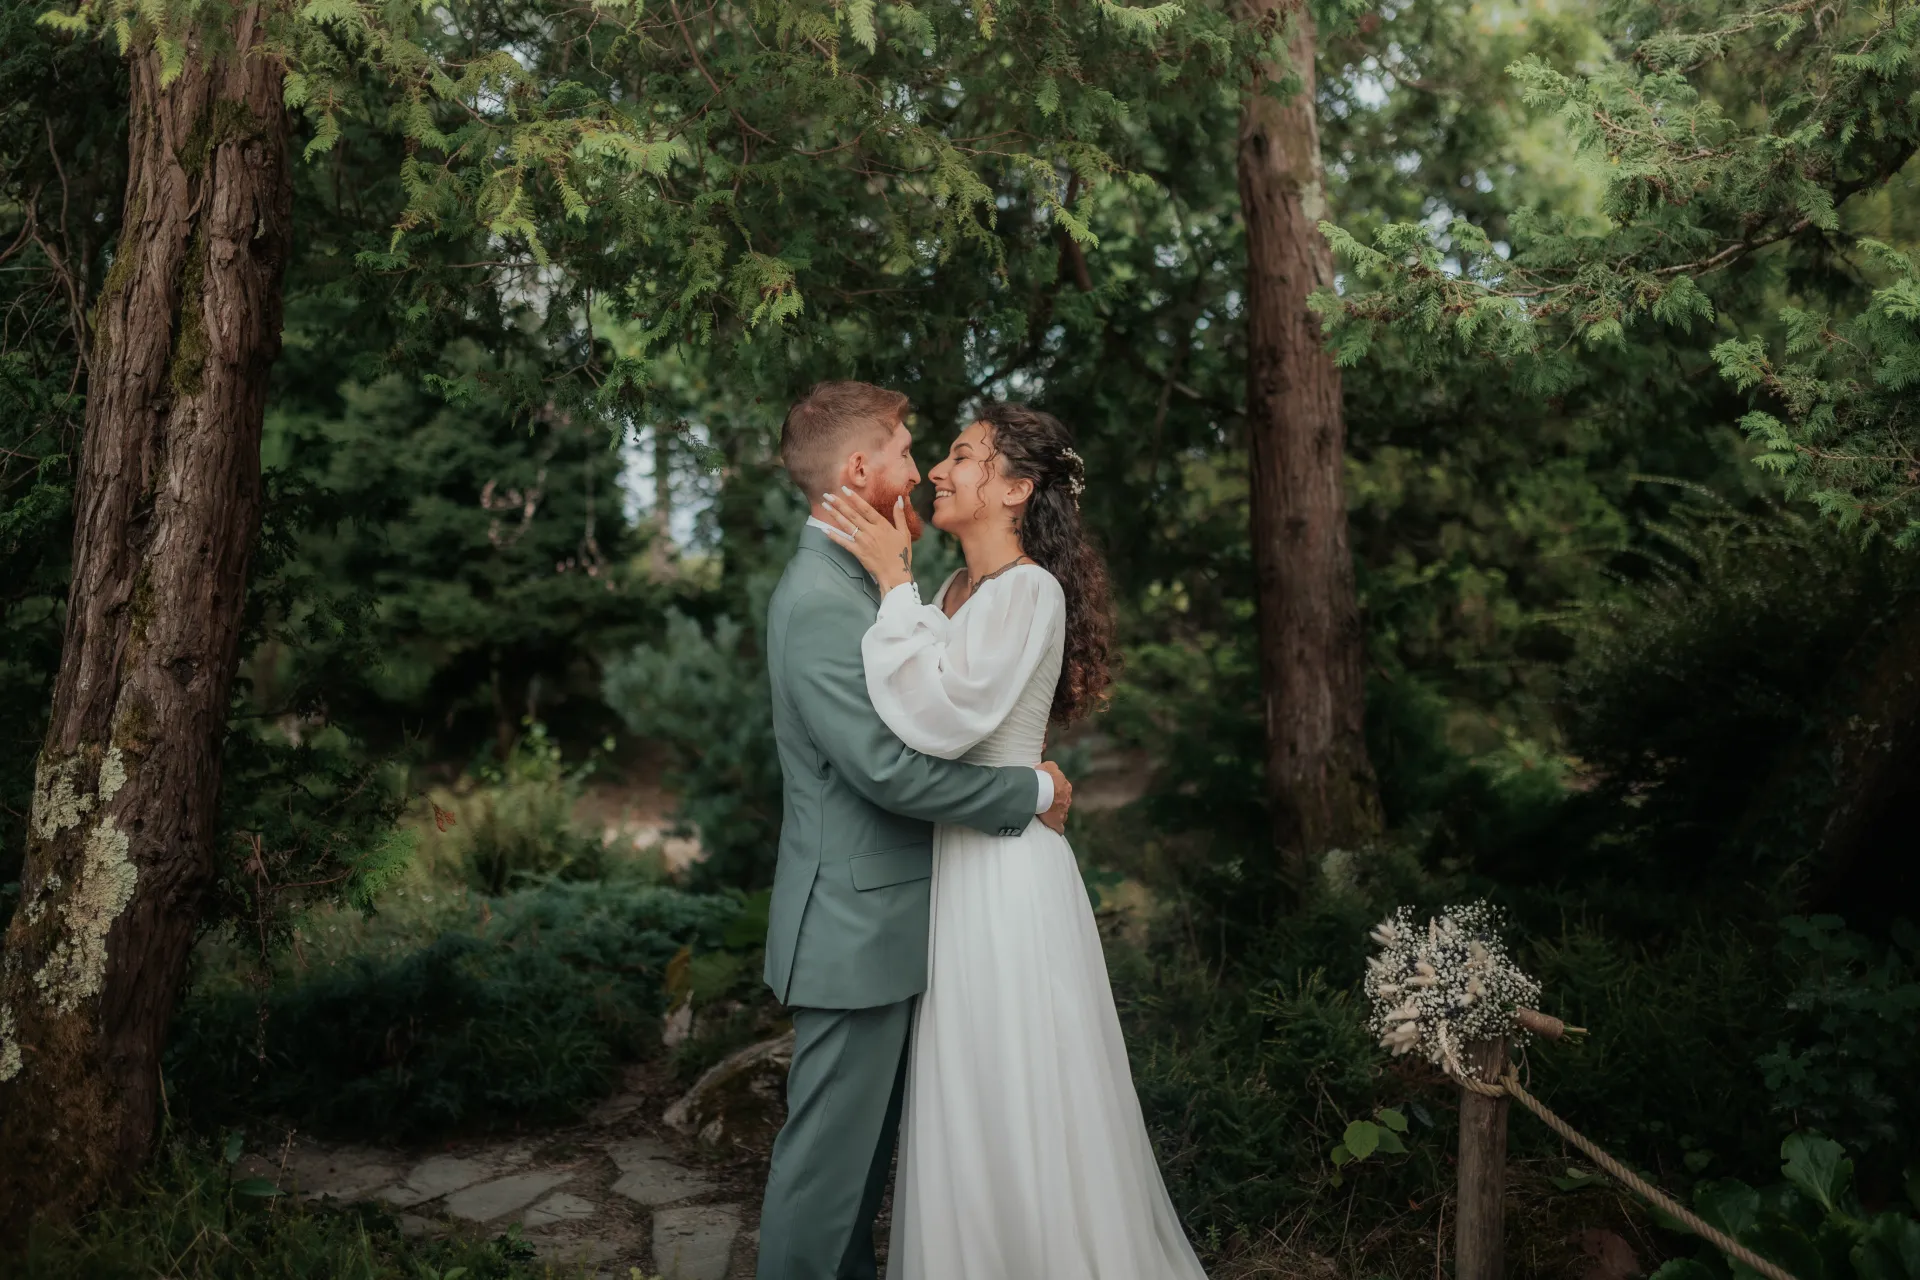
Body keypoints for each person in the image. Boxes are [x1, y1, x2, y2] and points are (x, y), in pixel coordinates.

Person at [820, 401, 1209, 1279]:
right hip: (952, 867)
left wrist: (893, 585)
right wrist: (910, 593)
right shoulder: (955, 593)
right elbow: (921, 698)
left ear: (1016, 489)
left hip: (1005, 876)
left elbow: (940, 719)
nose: (937, 471)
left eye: (963, 456)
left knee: (1016, 1079)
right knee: (965, 1085)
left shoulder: (1031, 590)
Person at [756, 381, 1074, 1280]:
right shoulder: (824, 600)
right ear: (861, 469)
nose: (923, 464)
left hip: (903, 919)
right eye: (904, 448)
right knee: (825, 1182)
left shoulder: (869, 582)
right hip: (854, 930)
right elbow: (886, 770)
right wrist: (1027, 791)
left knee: (856, 1184)